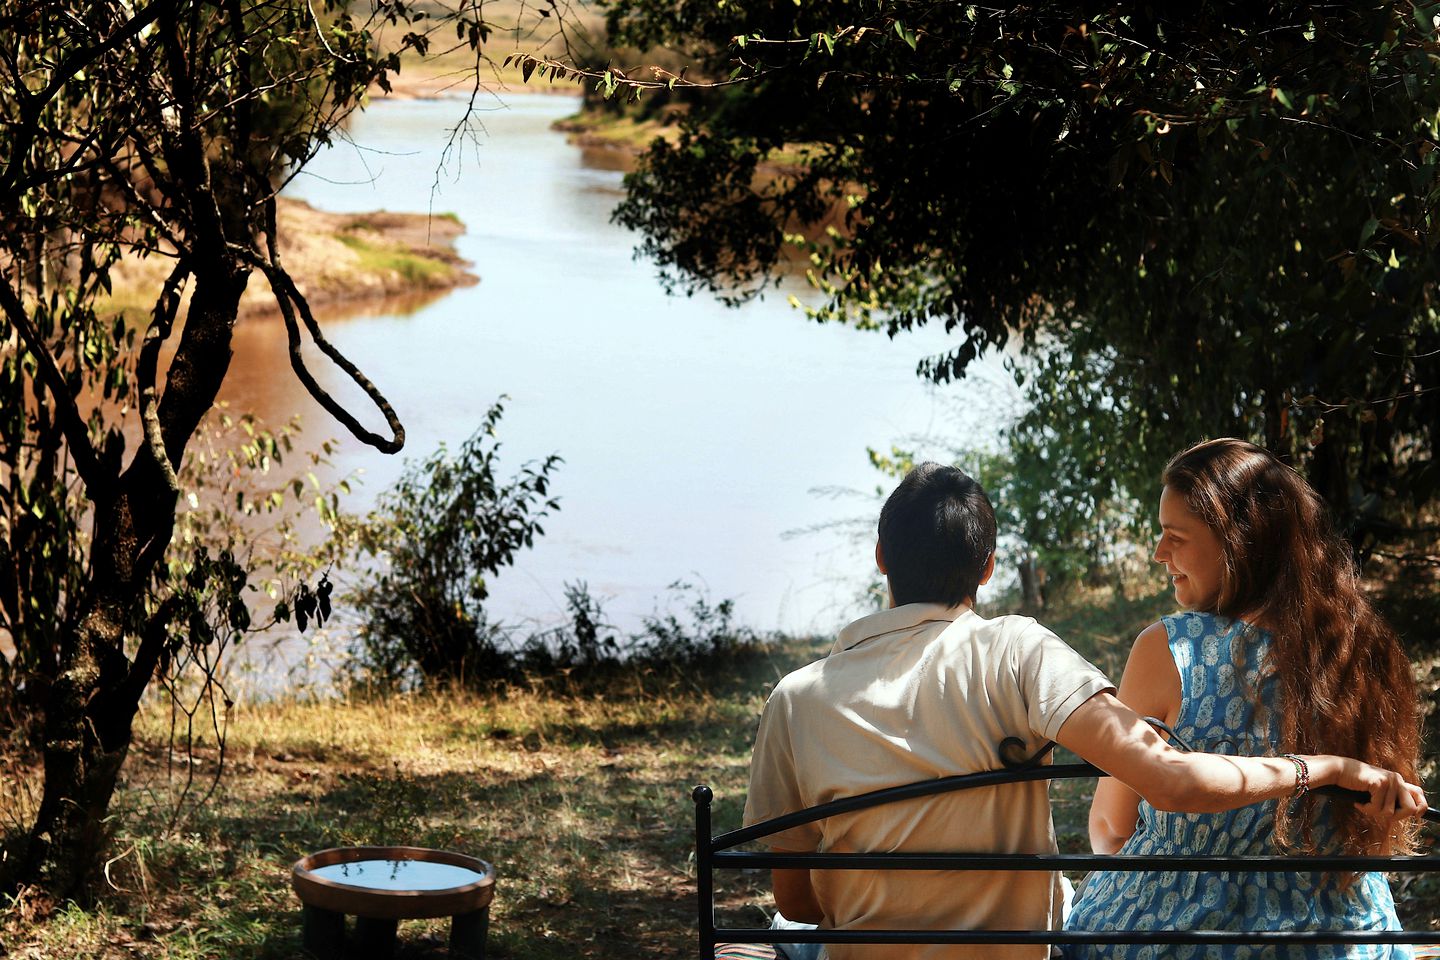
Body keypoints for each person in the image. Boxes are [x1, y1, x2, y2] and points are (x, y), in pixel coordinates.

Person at [741, 461, 1425, 960]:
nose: (1159, 552)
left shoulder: (795, 698)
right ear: (988, 568)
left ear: (881, 559)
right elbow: (1168, 777)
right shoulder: (1017, 652)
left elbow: (797, 902)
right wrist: (1324, 768)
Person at [1064, 438, 1425, 958]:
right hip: (1337, 938)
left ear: (1238, 543)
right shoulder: (1361, 649)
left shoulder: (1172, 651)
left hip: (1182, 934)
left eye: (1175, 537)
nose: (1159, 553)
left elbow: (1110, 827)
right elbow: (1379, 824)